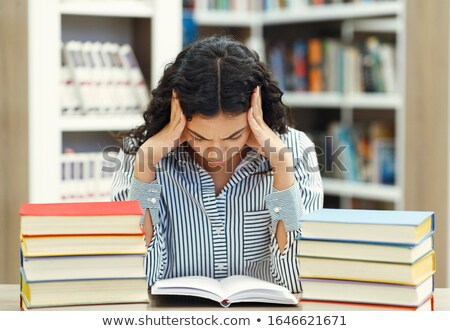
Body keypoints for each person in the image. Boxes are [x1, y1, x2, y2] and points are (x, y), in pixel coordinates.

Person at [111, 36, 323, 293]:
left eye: (234, 135)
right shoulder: (140, 153)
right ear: (176, 115)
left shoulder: (295, 150)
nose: (216, 151)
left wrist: (281, 165)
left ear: (257, 114)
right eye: (198, 136)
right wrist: (146, 166)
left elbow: (298, 279)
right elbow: (135, 279)